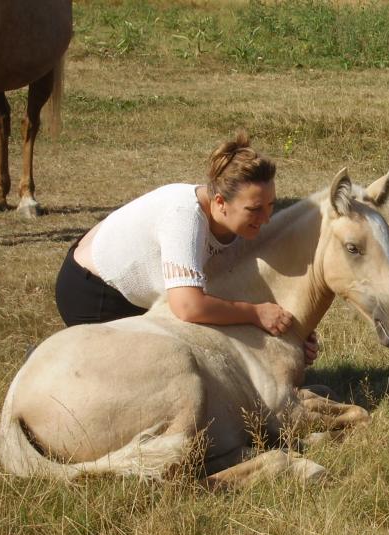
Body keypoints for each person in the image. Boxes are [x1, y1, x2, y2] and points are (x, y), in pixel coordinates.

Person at [54, 131, 319, 364]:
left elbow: (240, 287)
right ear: (220, 201)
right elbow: (189, 307)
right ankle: (56, 363)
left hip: (147, 294)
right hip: (93, 291)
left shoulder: (237, 223)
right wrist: (255, 314)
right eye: (255, 209)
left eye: (271, 206)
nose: (266, 219)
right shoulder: (185, 217)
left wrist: (293, 332)